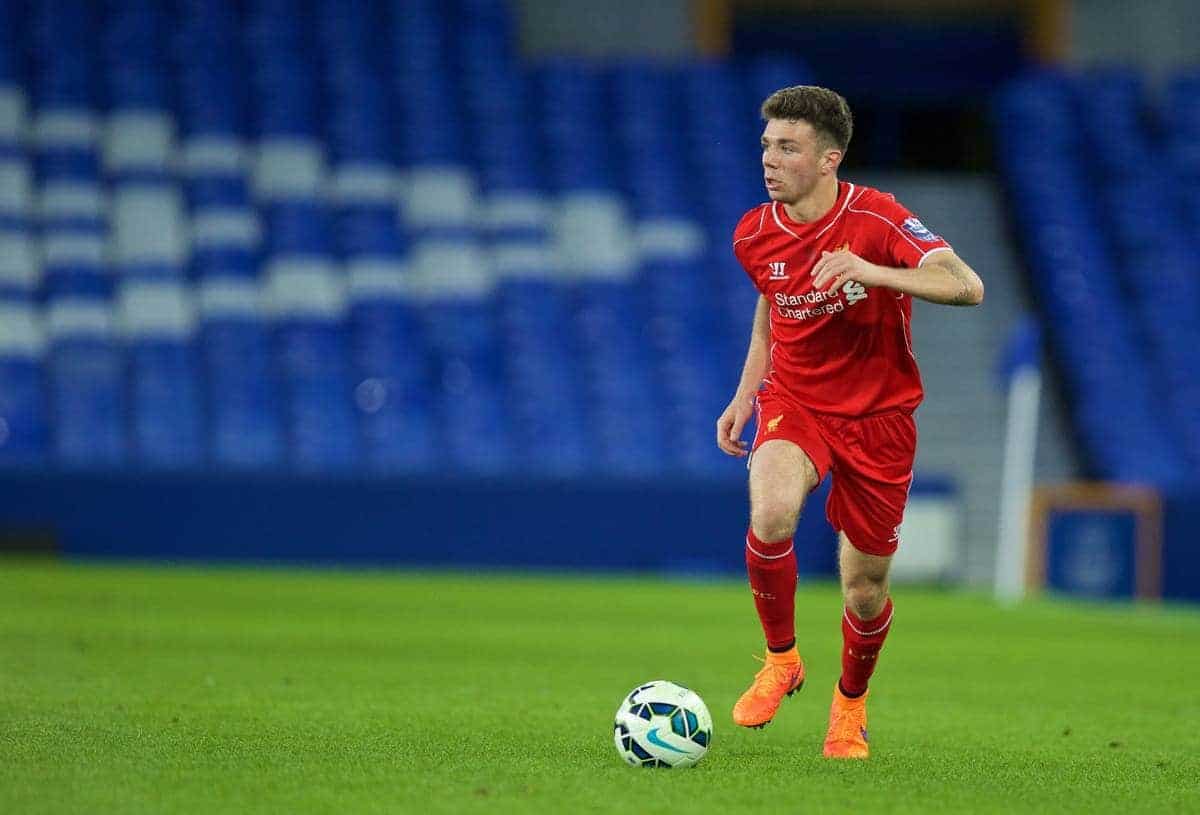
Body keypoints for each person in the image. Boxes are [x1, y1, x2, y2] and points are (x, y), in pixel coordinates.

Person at [716, 85, 984, 760]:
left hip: (879, 417)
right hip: (797, 399)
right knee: (771, 511)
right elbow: (772, 303)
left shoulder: (879, 219)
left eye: (788, 147)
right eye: (766, 145)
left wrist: (874, 271)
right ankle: (782, 658)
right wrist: (747, 391)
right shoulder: (753, 231)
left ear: (830, 157)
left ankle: (849, 707)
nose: (770, 160)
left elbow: (967, 285)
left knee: (865, 589)